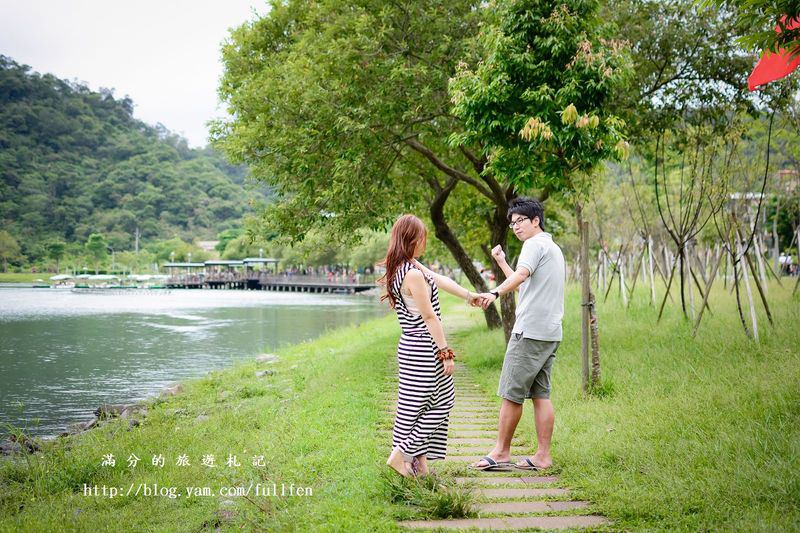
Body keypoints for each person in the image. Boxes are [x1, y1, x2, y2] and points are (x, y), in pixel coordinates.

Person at [470, 197, 565, 472]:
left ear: (536, 220)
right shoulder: (552, 248)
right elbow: (526, 286)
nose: (516, 227)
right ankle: (542, 457)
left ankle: (501, 452)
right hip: (550, 332)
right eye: (512, 223)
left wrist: (493, 292)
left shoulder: (533, 245)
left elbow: (521, 277)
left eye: (520, 221)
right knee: (540, 395)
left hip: (530, 332)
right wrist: (501, 263)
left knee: (512, 393)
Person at [380, 214, 479, 477]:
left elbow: (439, 280)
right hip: (424, 347)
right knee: (443, 402)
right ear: (412, 239)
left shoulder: (405, 267)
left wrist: (469, 296)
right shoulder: (411, 273)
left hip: (411, 346)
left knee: (415, 406)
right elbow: (429, 316)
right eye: (422, 237)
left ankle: (419, 465)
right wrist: (445, 352)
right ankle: (401, 454)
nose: (425, 242)